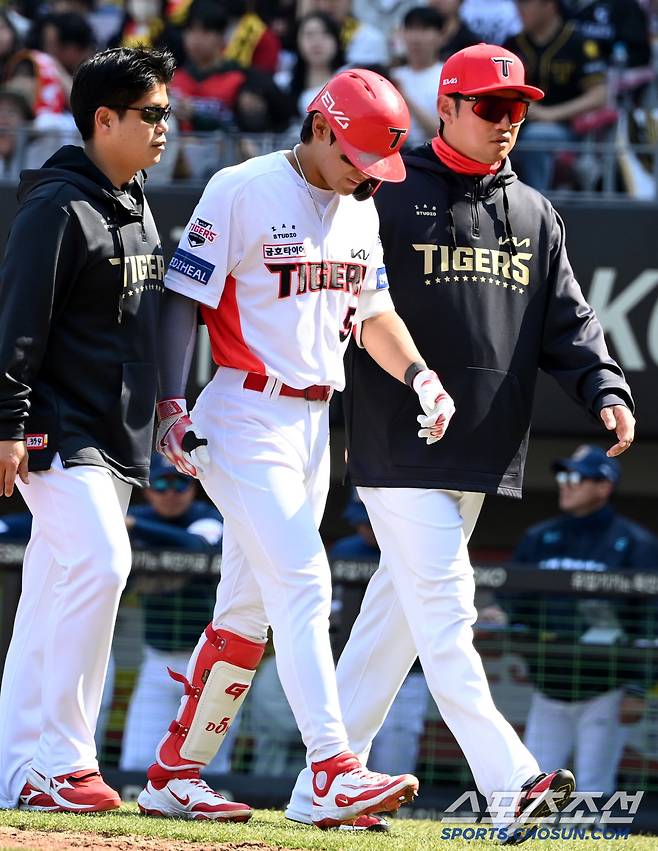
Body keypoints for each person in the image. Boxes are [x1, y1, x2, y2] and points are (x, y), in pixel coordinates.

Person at [285, 42, 636, 842]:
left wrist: (607, 389)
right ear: (445, 106)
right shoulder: (387, 191)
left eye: (517, 108)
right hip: (399, 443)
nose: (507, 122)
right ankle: (511, 782)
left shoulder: (536, 214)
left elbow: (570, 324)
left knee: (393, 622)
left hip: (483, 452)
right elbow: (348, 301)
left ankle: (319, 783)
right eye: (489, 107)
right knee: (447, 613)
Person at [137, 67, 453, 827]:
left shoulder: (359, 212)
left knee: (249, 609)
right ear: (318, 127)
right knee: (307, 580)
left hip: (313, 422)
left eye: (378, 164)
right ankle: (330, 770)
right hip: (243, 412)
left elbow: (374, 312)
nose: (365, 176)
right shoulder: (242, 187)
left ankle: (174, 773)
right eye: (355, 157)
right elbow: (185, 296)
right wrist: (170, 403)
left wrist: (420, 374)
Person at [0, 46, 175, 813]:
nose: (166, 127)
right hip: (57, 427)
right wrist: (6, 424)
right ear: (104, 120)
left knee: (48, 589)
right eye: (152, 115)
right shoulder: (56, 205)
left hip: (117, 431)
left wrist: (168, 407)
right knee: (103, 564)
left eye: (168, 113)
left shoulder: (134, 192)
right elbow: (15, 326)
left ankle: (14, 769)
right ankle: (63, 760)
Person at [510, 445, 658, 797]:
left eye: (576, 477)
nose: (566, 484)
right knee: (534, 784)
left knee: (594, 787)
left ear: (603, 486)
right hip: (548, 685)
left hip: (606, 687)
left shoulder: (635, 542)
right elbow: (514, 600)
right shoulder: (540, 537)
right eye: (563, 476)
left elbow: (650, 620)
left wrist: (638, 688)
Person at [504, 0, 608, 191]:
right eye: (517, 4)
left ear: (549, 5)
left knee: (537, 136)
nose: (519, 10)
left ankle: (539, 202)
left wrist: (550, 114)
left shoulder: (578, 42)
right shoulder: (512, 44)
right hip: (517, 122)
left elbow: (599, 95)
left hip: (567, 127)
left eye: (526, 4)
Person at [391, 6, 445, 148]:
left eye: (424, 29)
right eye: (411, 29)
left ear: (440, 36)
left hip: (431, 156)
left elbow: (442, 132)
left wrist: (404, 98)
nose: (416, 38)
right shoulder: (394, 76)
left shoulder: (447, 76)